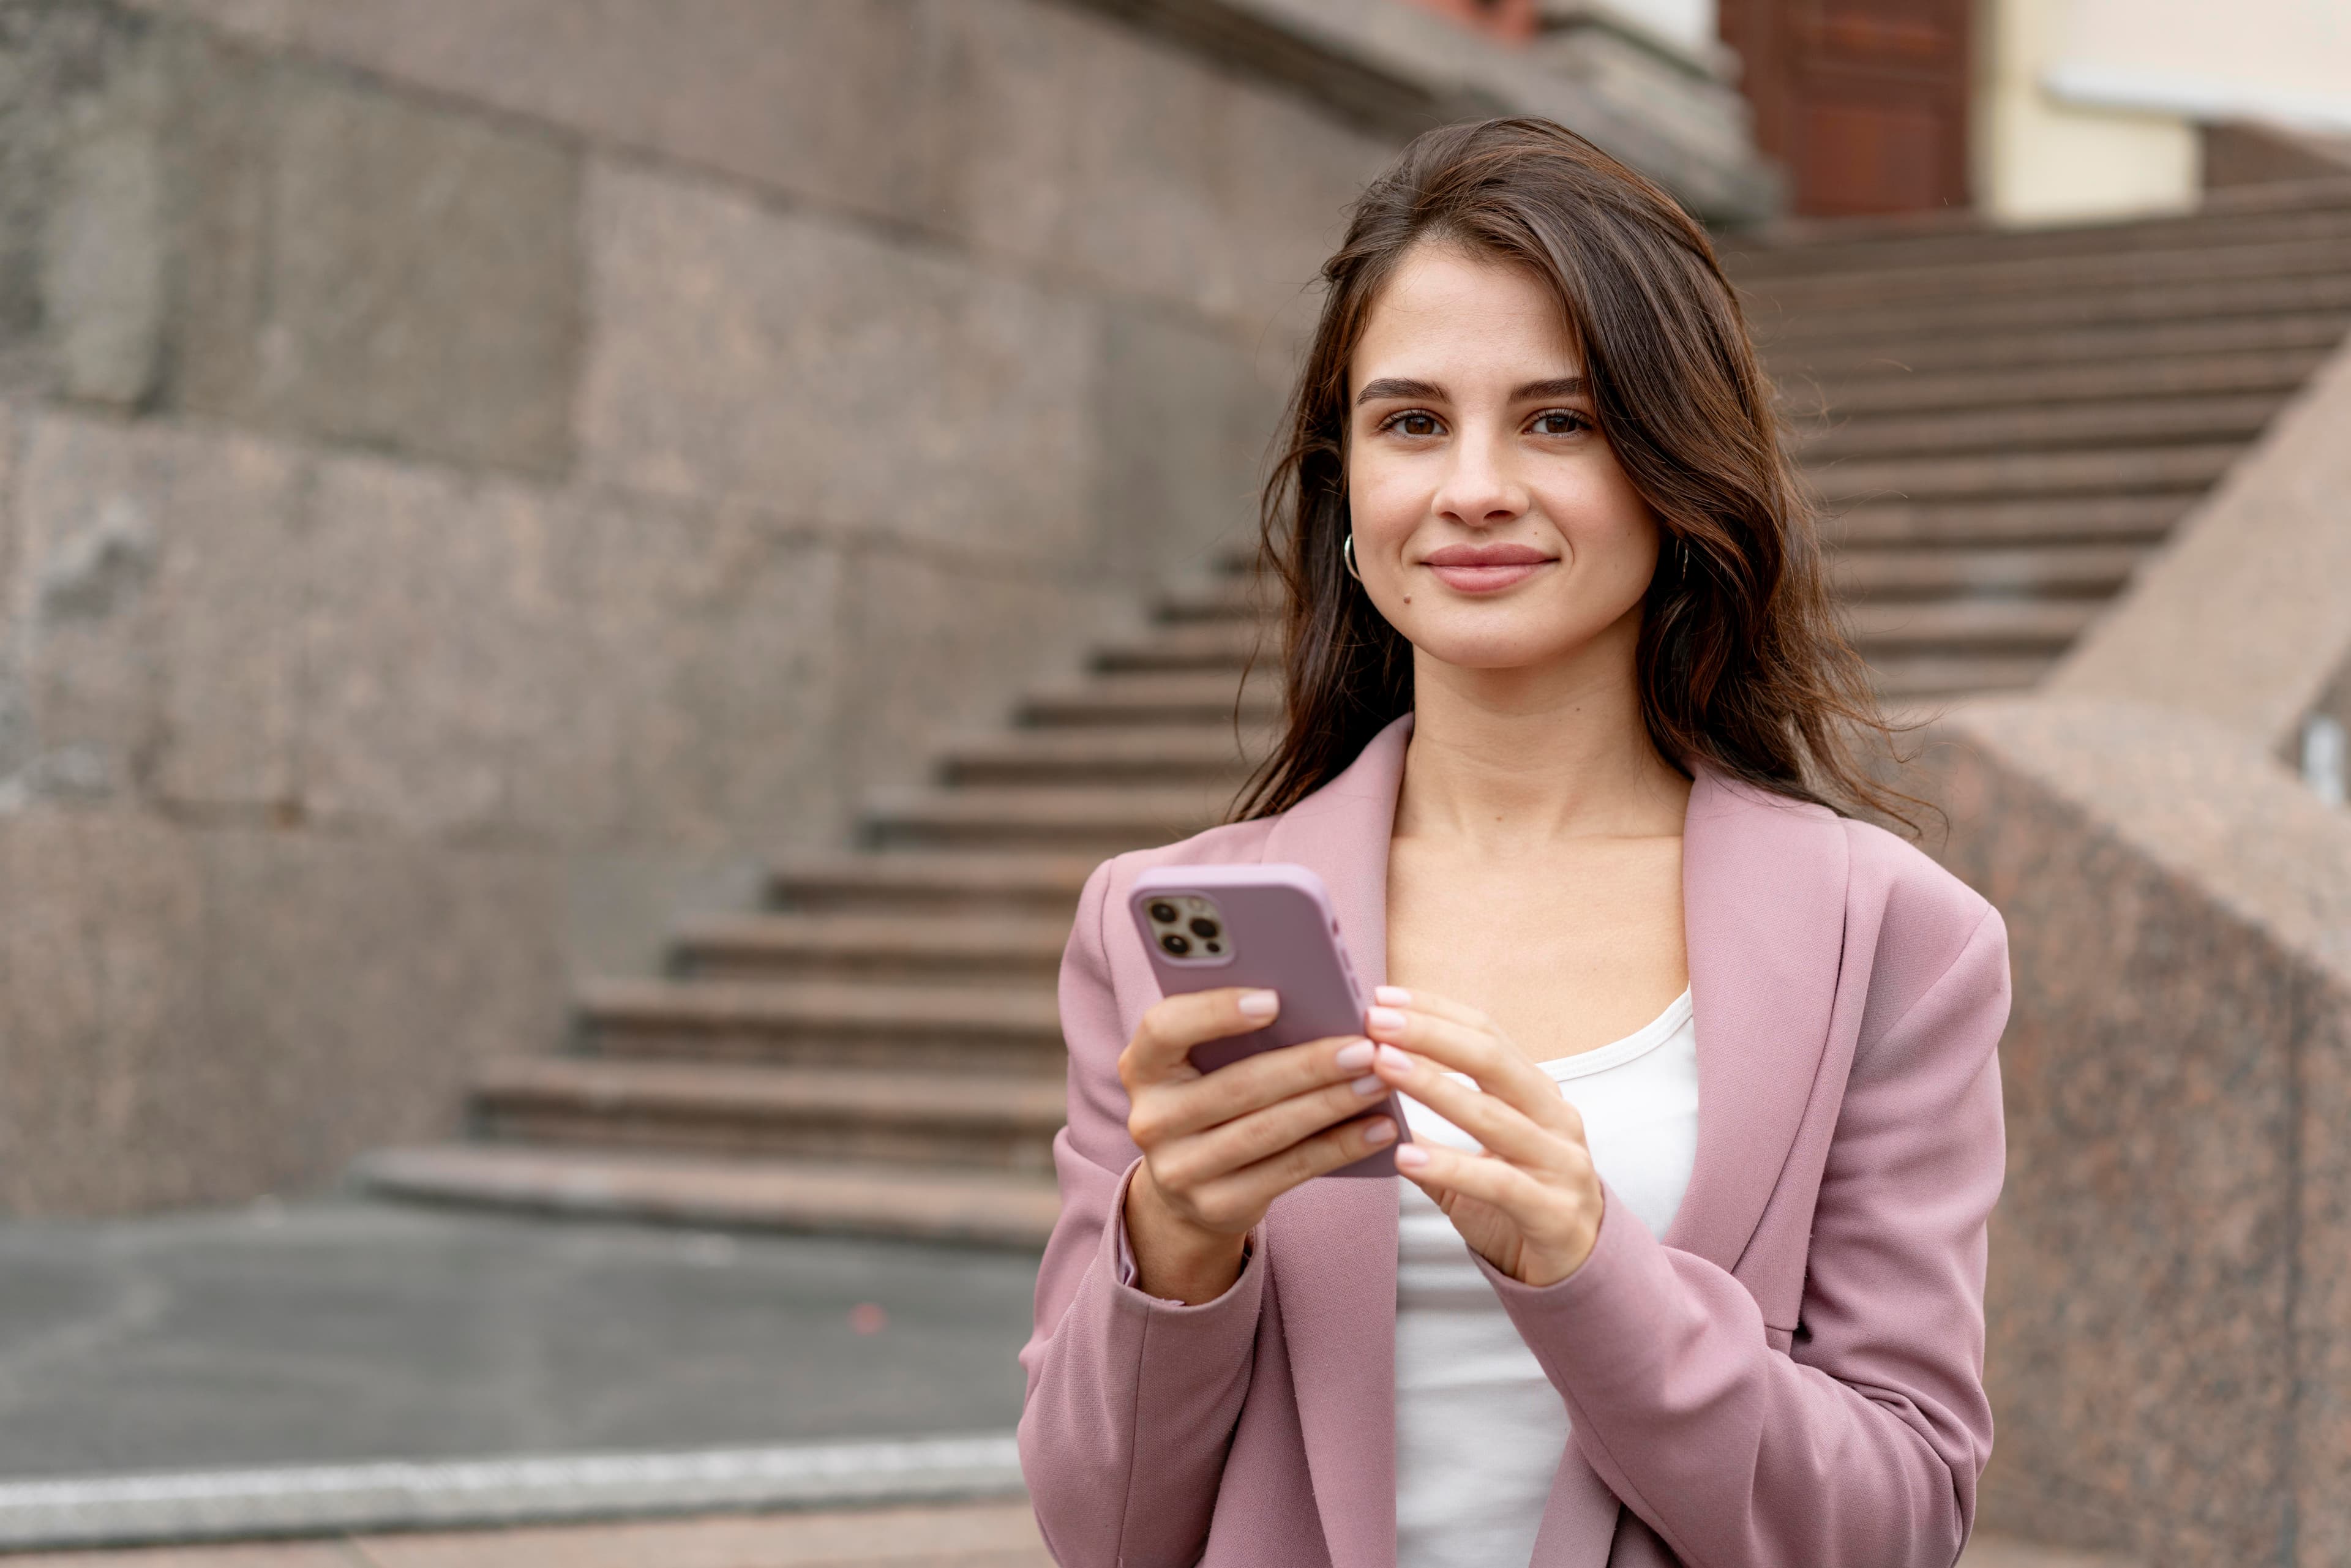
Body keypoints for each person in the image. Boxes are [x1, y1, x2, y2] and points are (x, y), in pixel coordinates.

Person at [1016, 117, 2008, 1568]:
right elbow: (1099, 1528)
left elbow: (1896, 1525)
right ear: (1345, 485)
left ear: (1677, 473)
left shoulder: (1894, 939)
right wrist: (1174, 1243)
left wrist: (1588, 1269)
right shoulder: (1168, 925)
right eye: (1412, 422)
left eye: (1560, 420)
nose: (1474, 487)